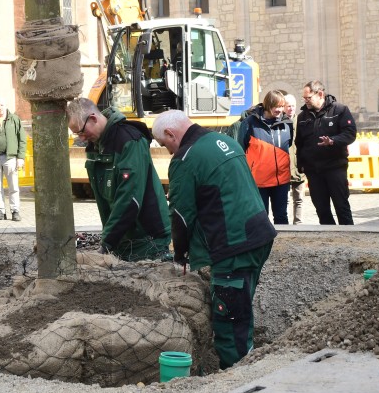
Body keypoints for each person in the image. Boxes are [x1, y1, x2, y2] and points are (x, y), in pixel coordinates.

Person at [152, 109, 276, 369]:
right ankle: (248, 360)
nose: (169, 152)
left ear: (170, 133)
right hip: (259, 235)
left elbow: (182, 216)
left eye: (165, 145)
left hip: (233, 246)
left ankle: (235, 379)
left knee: (229, 320)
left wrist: (180, 253)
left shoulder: (187, 159)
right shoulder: (225, 142)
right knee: (241, 309)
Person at [65, 97, 171, 261]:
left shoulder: (129, 141)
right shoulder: (96, 147)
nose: (82, 138)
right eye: (77, 134)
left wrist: (106, 243)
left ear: (93, 118)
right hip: (122, 238)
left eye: (81, 131)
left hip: (147, 239)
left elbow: (130, 199)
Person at [295, 80, 357, 225]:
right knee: (321, 208)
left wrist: (332, 141)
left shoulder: (340, 110)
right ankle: (328, 237)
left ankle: (348, 236)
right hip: (314, 171)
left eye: (308, 98)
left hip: (335, 168)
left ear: (320, 94)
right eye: (304, 98)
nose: (306, 101)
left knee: (341, 205)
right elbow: (300, 143)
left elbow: (350, 134)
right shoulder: (303, 117)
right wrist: (301, 165)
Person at [237, 90, 293, 224]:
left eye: (282, 106)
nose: (279, 110)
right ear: (268, 105)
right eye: (276, 106)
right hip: (259, 181)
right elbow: (240, 148)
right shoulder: (250, 122)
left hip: (281, 181)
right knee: (261, 218)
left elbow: (288, 145)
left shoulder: (287, 123)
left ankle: (283, 243)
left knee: (281, 216)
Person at [282, 92, 307, 225]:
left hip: (298, 167)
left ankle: (298, 223)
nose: (290, 108)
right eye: (288, 106)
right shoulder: (279, 123)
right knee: (284, 199)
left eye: (293, 106)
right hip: (283, 168)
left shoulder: (301, 121)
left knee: (299, 199)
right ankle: (285, 224)